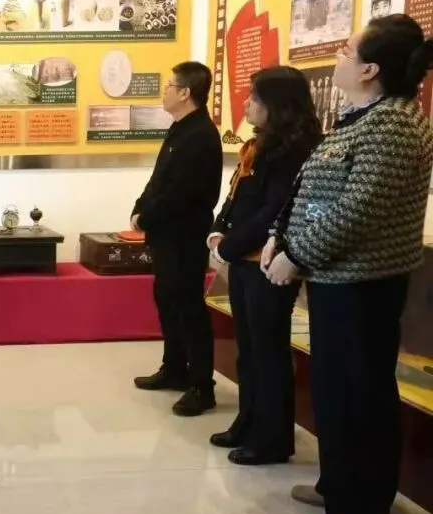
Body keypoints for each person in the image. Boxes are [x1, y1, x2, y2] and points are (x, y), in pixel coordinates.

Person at [263, 14, 433, 514]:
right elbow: (309, 188)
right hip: (334, 278)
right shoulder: (360, 118)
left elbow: (358, 210)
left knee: (362, 394)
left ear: (370, 69)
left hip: (364, 284)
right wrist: (279, 235)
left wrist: (297, 255)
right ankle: (339, 485)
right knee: (335, 389)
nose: (337, 57)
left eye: (346, 51)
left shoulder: (395, 125)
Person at [206, 67, 321, 466]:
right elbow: (236, 199)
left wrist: (230, 247)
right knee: (249, 349)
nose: (247, 104)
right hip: (242, 259)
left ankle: (272, 437)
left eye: (255, 97)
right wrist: (218, 234)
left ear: (278, 103)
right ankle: (248, 421)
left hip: (268, 263)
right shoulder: (259, 144)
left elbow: (274, 211)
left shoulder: (295, 151)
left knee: (268, 351)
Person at [131, 61, 223, 417]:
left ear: (185, 93)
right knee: (167, 299)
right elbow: (159, 180)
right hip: (165, 234)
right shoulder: (180, 129)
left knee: (188, 307)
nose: (164, 91)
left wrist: (146, 217)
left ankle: (201, 385)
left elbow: (180, 193)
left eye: (169, 86)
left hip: (184, 234)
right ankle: (174, 368)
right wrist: (139, 207)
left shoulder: (201, 135)